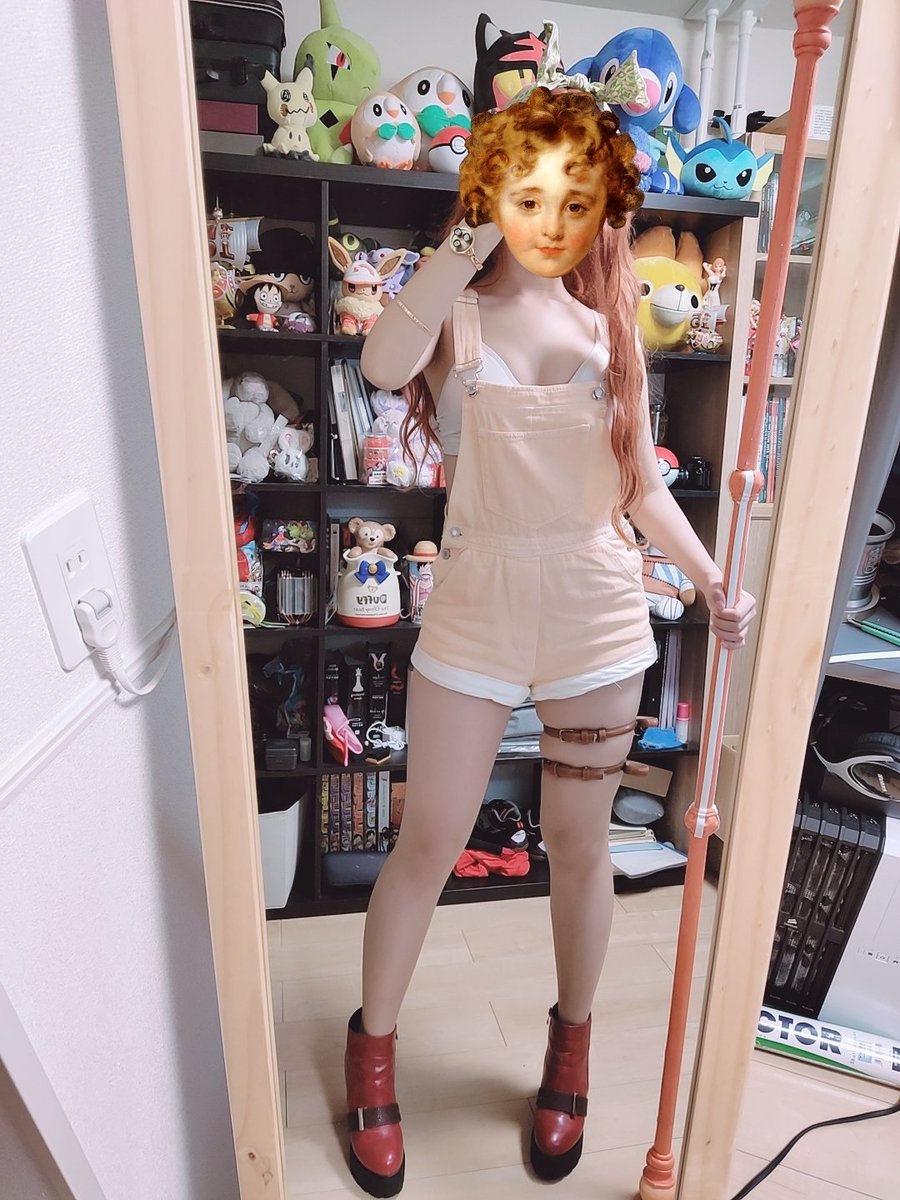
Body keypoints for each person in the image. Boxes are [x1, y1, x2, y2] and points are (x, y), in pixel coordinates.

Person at [346, 85, 756, 1198]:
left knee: (581, 848)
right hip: (476, 608)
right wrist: (466, 238)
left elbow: (640, 484)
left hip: (597, 612)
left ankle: (568, 1053)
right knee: (429, 840)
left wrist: (711, 578)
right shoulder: (453, 314)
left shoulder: (606, 329)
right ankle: (371, 1051)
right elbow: (380, 365)